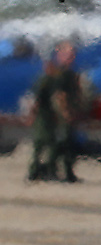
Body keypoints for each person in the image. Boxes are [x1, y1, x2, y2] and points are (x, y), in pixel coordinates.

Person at [27, 42, 82, 183]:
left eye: (72, 55)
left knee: (62, 144)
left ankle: (61, 172)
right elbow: (57, 96)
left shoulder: (69, 74)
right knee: (49, 144)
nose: (71, 58)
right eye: (67, 55)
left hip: (59, 115)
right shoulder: (54, 77)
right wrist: (65, 112)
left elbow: (73, 94)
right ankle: (43, 171)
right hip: (52, 116)